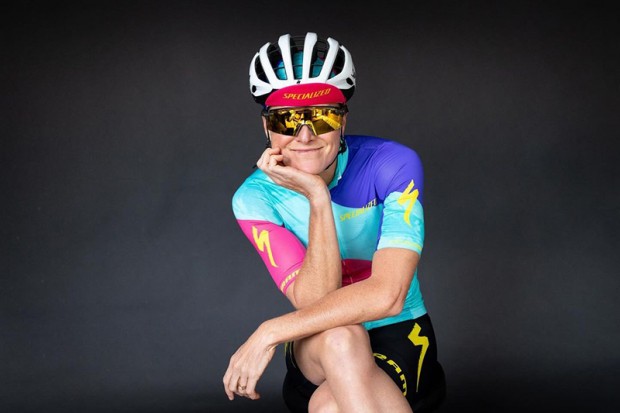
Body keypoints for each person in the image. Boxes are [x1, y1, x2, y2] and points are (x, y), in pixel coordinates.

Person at [223, 32, 447, 413]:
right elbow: (315, 304)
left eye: (321, 116)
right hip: (318, 345)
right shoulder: (254, 198)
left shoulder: (391, 165)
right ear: (267, 128)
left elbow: (389, 295)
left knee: (329, 406)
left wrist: (270, 331)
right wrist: (317, 197)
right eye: (287, 119)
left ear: (343, 121)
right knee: (341, 336)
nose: (304, 135)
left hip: (398, 332)